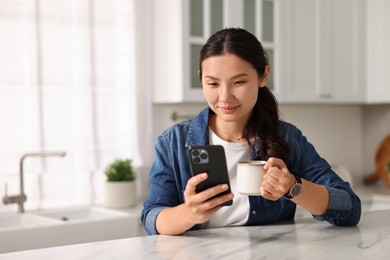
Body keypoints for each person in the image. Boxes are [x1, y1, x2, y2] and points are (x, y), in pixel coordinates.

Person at [141, 28, 361, 235]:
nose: (225, 97)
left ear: (263, 76)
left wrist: (293, 187)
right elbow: (152, 217)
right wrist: (188, 213)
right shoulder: (173, 142)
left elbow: (350, 208)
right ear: (201, 78)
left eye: (239, 82)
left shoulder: (288, 139)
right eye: (213, 84)